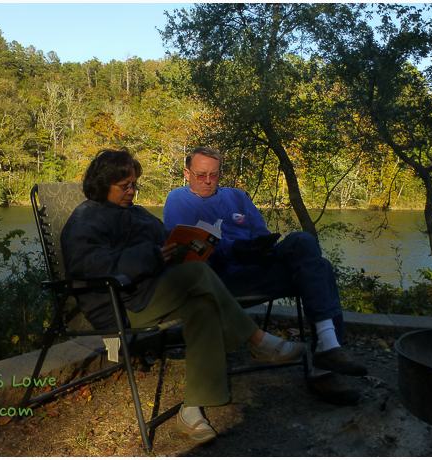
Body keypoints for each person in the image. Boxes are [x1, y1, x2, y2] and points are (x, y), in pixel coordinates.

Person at [61, 148, 305, 444]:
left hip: (148, 293)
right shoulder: (86, 219)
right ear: (103, 184)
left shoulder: (135, 213)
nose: (132, 191)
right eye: (124, 186)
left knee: (203, 305)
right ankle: (257, 341)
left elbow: (164, 239)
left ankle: (192, 410)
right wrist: (152, 256)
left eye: (134, 184)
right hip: (120, 304)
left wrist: (184, 247)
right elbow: (90, 266)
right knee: (197, 274)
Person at [163, 146, 367, 406]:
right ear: (187, 173)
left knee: (304, 244)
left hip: (258, 266)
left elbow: (260, 231)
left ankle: (328, 348)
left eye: (214, 175)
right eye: (201, 175)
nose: (208, 181)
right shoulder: (178, 200)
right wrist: (234, 249)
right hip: (222, 279)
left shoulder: (237, 197)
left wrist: (261, 245)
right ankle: (324, 365)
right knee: (322, 269)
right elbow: (189, 248)